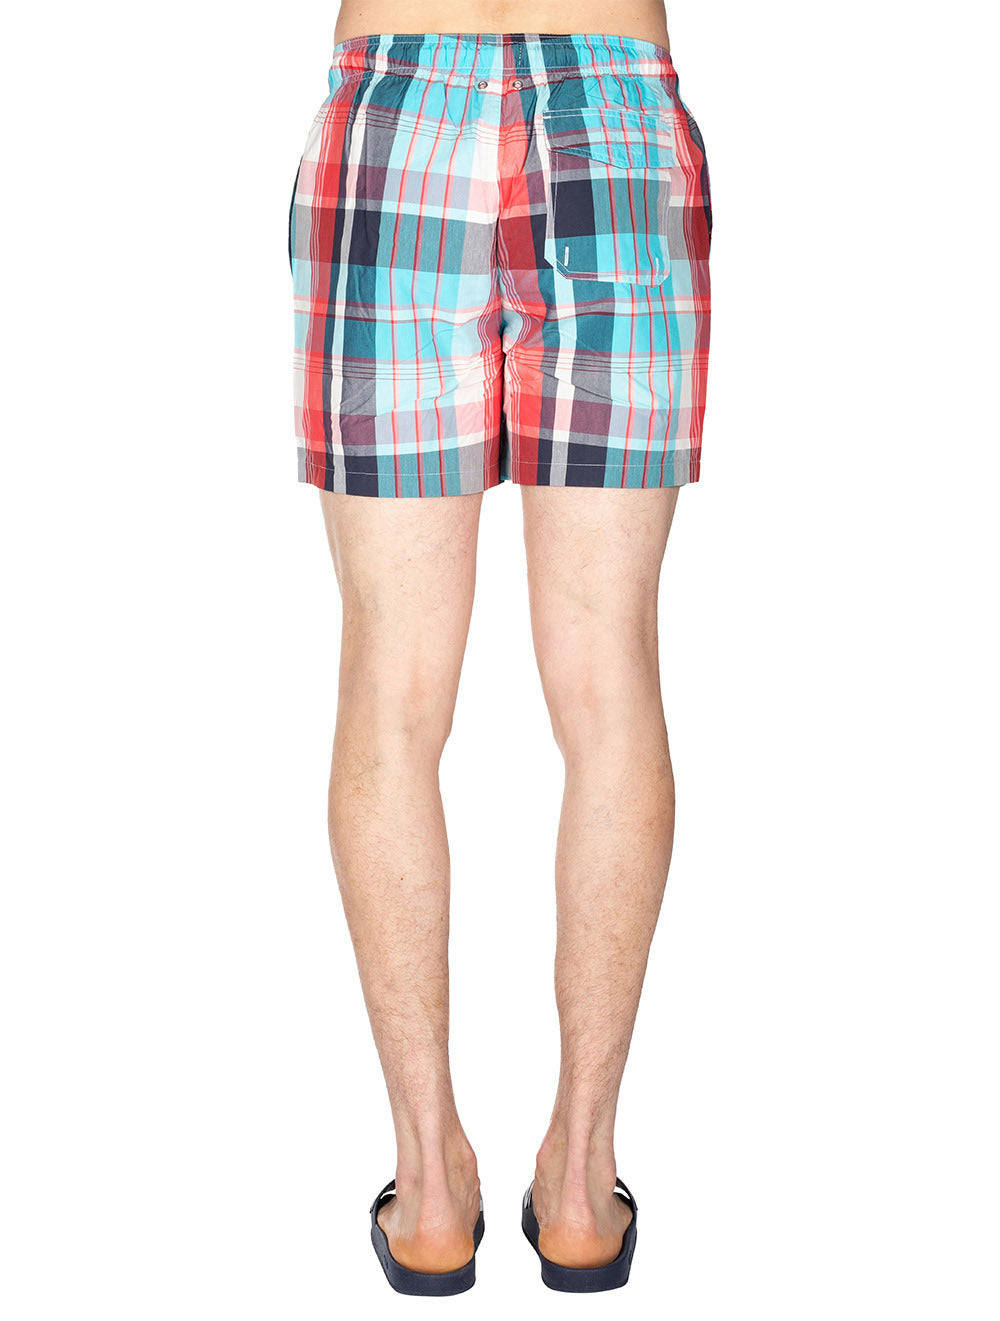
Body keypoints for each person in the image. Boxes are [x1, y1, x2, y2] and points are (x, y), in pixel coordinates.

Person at [288, 0, 711, 1294]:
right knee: (611, 681)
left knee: (391, 688)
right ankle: (581, 1187)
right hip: (613, 110)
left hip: (400, 106)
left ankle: (428, 1191)